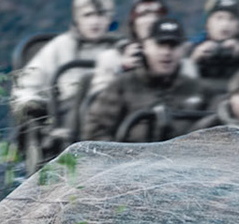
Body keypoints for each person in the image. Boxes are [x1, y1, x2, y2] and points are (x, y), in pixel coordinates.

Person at [12, 0, 121, 159]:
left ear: (110, 17)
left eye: (101, 15)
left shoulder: (120, 48)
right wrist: (32, 106)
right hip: (70, 121)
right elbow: (27, 84)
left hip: (114, 119)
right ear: (77, 17)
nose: (95, 22)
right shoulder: (60, 46)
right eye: (88, 15)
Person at [82, 18, 210, 143]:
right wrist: (121, 157)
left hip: (184, 161)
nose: (166, 52)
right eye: (160, 44)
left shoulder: (196, 89)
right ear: (145, 47)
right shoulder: (122, 85)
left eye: (173, 45)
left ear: (182, 50)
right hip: (130, 161)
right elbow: (95, 132)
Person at [89, 0, 172, 100]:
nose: (151, 20)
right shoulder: (111, 58)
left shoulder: (177, 58)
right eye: (143, 15)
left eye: (157, 15)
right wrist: (122, 70)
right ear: (133, 24)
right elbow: (98, 102)